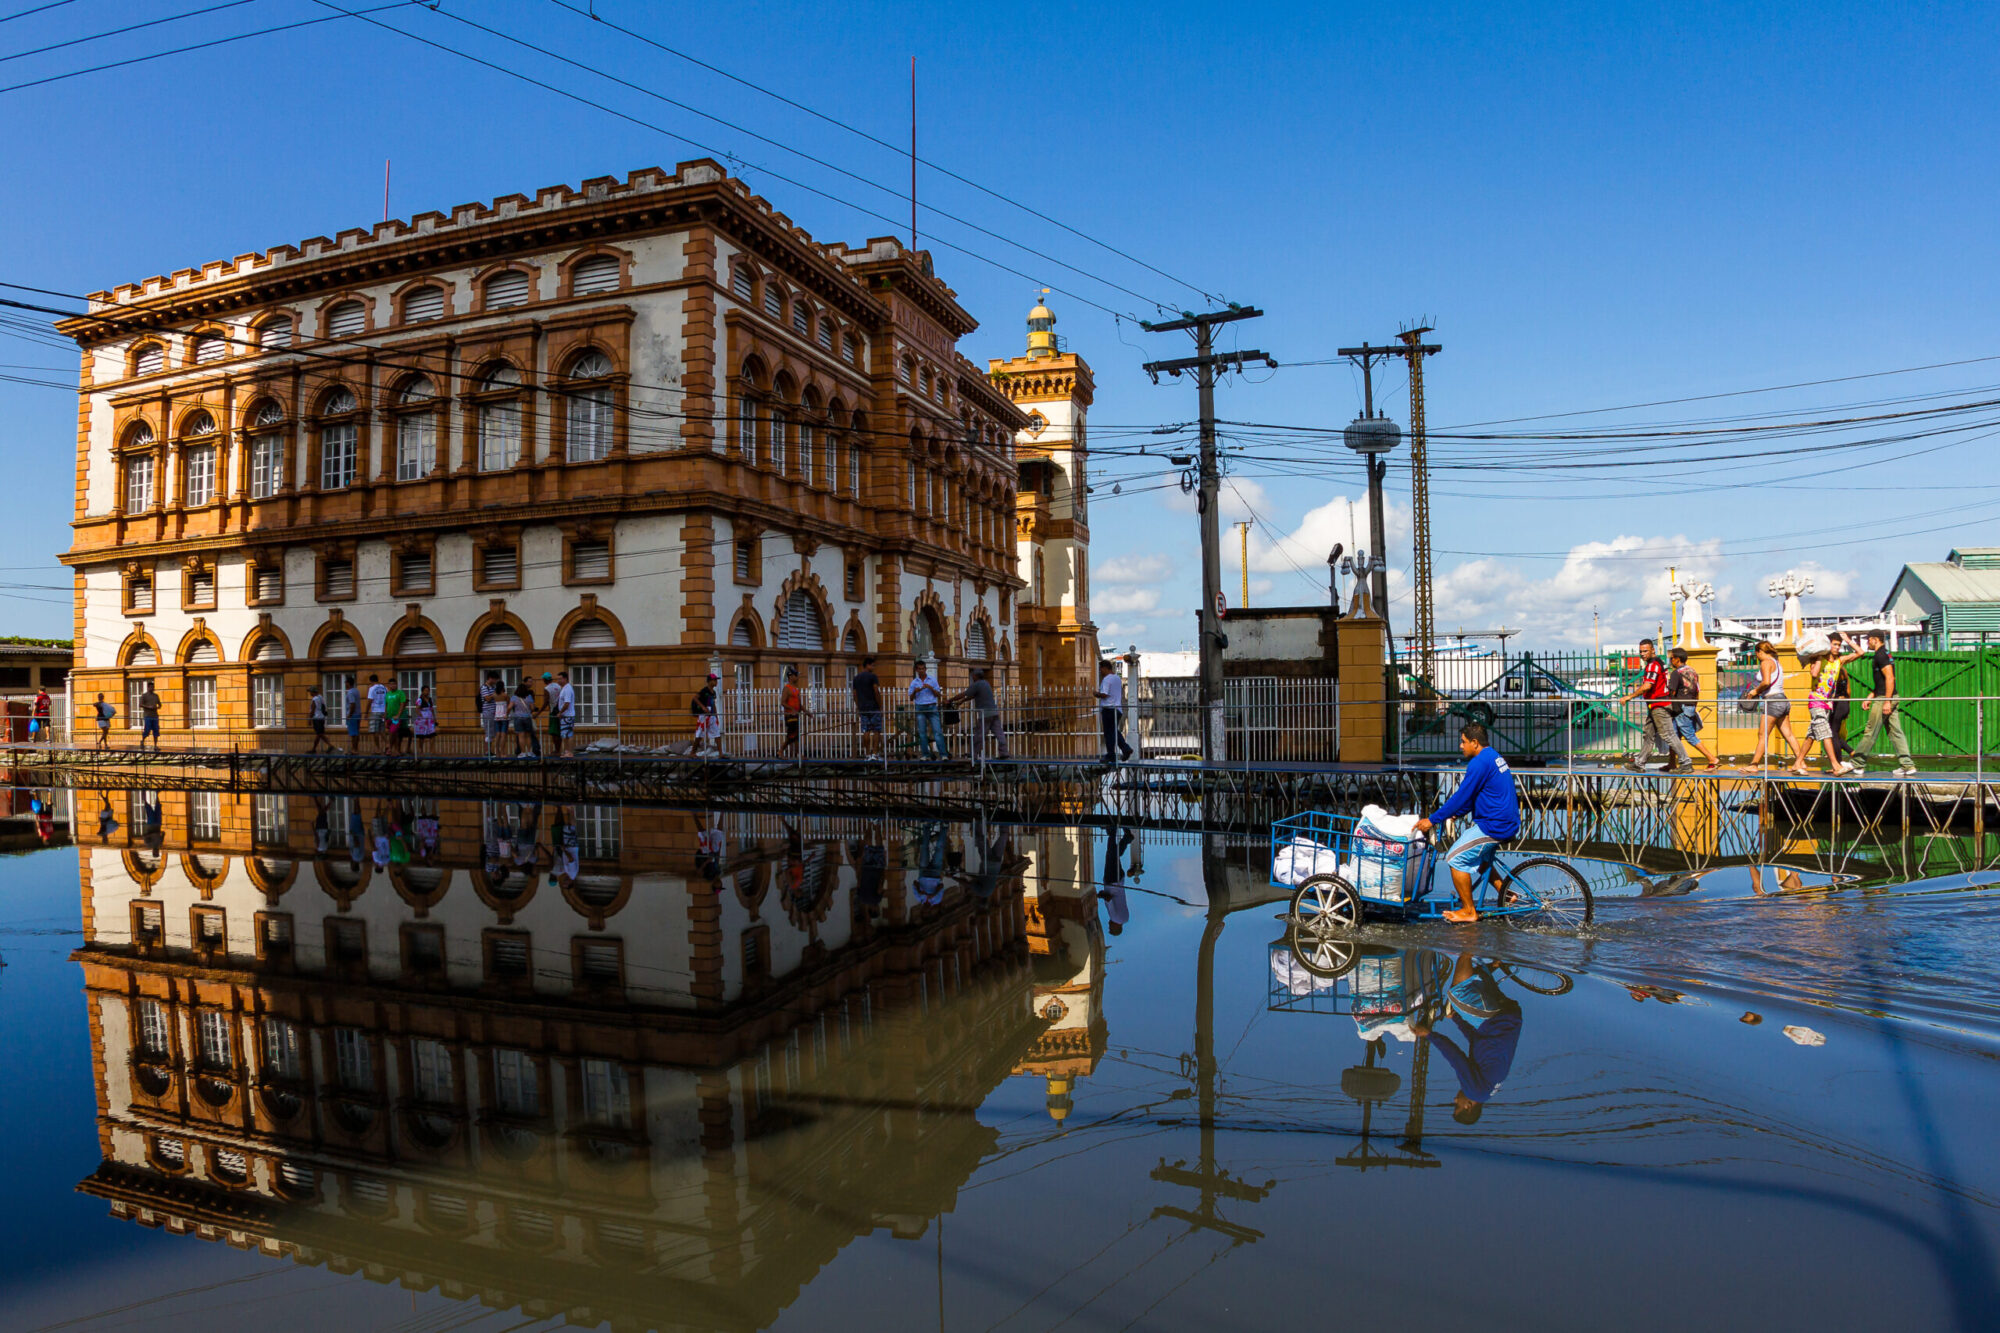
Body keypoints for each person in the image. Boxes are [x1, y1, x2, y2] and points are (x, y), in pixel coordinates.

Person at [1413, 721, 1519, 923]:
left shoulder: (1478, 763)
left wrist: (1433, 819)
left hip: (1495, 825)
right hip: (1503, 820)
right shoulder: (1493, 756)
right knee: (1480, 858)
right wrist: (1456, 813)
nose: (1461, 746)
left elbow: (1461, 796)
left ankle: (1469, 911)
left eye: (1463, 742)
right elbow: (1476, 796)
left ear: (1475, 743)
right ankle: (1506, 894)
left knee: (1455, 857)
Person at [1408, 952, 1523, 1125]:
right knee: (1458, 992)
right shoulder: (1474, 1092)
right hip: (1496, 1021)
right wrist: (1429, 1035)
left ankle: (1493, 965)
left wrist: (1456, 1018)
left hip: (1509, 1018)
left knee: (1472, 987)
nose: (1455, 1100)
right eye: (1457, 1106)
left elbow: (1478, 1041)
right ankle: (1468, 942)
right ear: (1468, 1106)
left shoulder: (1488, 1090)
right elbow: (1456, 1057)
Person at [1852, 629, 1918, 776]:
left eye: (1868, 639)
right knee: (1896, 732)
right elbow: (1881, 682)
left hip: (1885, 698)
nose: (1867, 642)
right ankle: (1907, 765)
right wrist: (1870, 697)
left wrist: (1887, 701)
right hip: (1887, 696)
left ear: (1875, 639)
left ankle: (1857, 764)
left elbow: (1890, 678)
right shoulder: (1884, 653)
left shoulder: (1881, 655)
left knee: (1871, 730)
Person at [1618, 638, 1687, 772]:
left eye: (1645, 651)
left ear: (1652, 650)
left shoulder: (1653, 665)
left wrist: (1629, 696)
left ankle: (1686, 762)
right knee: (1648, 734)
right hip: (1655, 705)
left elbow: (1647, 686)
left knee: (1668, 735)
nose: (1642, 654)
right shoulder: (1658, 663)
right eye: (1641, 651)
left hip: (1659, 705)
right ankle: (1640, 763)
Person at [1739, 640, 1806, 772]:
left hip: (1772, 701)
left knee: (1762, 735)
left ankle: (1754, 765)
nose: (1756, 657)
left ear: (1760, 652)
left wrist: (1755, 691)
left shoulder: (1766, 662)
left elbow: (1766, 682)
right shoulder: (1777, 663)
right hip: (1783, 700)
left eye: (1756, 654)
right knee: (1789, 734)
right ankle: (1800, 762)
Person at [1802, 650, 1858, 776]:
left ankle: (1838, 763)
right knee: (1821, 733)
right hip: (1843, 703)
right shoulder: (1844, 671)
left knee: (1831, 734)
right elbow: (1848, 690)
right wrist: (1847, 706)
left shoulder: (1833, 671)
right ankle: (1799, 761)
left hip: (1834, 703)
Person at [1666, 647, 1718, 772]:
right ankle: (1672, 762)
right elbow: (1697, 690)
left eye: (1671, 658)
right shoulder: (1692, 671)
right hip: (1690, 705)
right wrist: (1694, 706)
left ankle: (1712, 759)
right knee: (1673, 736)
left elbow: (1671, 692)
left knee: (1689, 736)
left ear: (1677, 659)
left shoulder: (1676, 673)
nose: (1670, 660)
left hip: (1680, 707)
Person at [950, 667, 1008, 761]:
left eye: (972, 675)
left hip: (985, 714)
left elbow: (965, 693)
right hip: (994, 712)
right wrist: (962, 701)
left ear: (975, 676)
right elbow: (973, 695)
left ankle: (974, 754)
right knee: (999, 733)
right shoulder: (986, 683)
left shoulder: (976, 684)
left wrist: (951, 700)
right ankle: (1004, 753)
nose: (972, 677)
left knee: (979, 735)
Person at [1096, 659, 1133, 765]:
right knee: (1113, 731)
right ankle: (1125, 749)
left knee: (1109, 733)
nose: (1100, 672)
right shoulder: (1117, 678)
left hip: (1109, 709)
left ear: (1105, 668)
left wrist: (1096, 694)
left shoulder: (1107, 679)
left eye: (1101, 669)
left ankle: (1111, 755)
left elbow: (1104, 694)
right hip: (1117, 709)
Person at [909, 660, 944, 760]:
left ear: (925, 669)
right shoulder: (914, 682)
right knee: (922, 733)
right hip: (920, 707)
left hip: (932, 707)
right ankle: (925, 754)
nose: (921, 671)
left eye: (923, 669)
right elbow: (911, 698)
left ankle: (943, 754)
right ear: (916, 670)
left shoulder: (932, 680)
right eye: (919, 669)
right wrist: (915, 692)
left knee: (937, 731)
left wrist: (931, 688)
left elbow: (939, 695)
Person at [851, 656, 884, 760]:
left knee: (866, 730)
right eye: (873, 665)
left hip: (863, 708)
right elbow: (876, 690)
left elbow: (854, 694)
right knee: (876, 730)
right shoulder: (872, 677)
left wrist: (859, 705)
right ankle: (874, 753)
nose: (874, 667)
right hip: (873, 707)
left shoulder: (856, 678)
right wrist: (880, 705)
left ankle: (867, 754)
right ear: (868, 665)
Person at [780, 666, 812, 759]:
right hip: (790, 715)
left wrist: (806, 712)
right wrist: (792, 709)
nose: (798, 677)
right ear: (790, 677)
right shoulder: (787, 688)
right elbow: (783, 702)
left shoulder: (796, 689)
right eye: (796, 675)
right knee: (791, 735)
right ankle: (780, 751)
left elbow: (799, 704)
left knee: (796, 735)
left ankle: (798, 754)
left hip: (796, 715)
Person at [690, 671, 722, 757]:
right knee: (700, 734)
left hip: (711, 715)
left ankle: (720, 753)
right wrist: (703, 707)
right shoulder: (705, 690)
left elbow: (713, 703)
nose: (716, 682)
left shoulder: (713, 692)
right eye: (714, 680)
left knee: (717, 732)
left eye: (716, 680)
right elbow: (695, 698)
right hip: (704, 715)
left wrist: (716, 715)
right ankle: (692, 752)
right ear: (710, 681)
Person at [508, 680, 536, 757]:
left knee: (521, 736)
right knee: (528, 736)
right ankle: (530, 752)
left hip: (518, 718)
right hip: (527, 718)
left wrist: (506, 714)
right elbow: (532, 708)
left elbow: (510, 707)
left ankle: (523, 752)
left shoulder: (514, 698)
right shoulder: (529, 697)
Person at [479, 672, 504, 757]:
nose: (495, 681)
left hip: (494, 712)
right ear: (490, 678)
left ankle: (490, 751)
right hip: (488, 712)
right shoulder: (484, 687)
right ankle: (487, 752)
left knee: (492, 732)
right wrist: (495, 695)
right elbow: (487, 698)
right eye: (495, 679)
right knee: (488, 732)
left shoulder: (493, 687)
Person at [382, 679, 408, 756]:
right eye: (391, 684)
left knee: (392, 732)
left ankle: (389, 747)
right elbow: (386, 705)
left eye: (394, 684)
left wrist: (398, 715)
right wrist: (385, 714)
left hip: (396, 718)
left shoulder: (400, 693)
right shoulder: (387, 694)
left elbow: (402, 704)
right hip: (389, 717)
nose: (392, 685)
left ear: (396, 685)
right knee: (395, 734)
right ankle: (396, 750)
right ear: (389, 685)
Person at [554, 670, 576, 758]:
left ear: (565, 679)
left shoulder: (567, 689)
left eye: (560, 679)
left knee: (568, 734)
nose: (558, 681)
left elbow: (567, 703)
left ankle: (569, 752)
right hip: (565, 715)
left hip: (567, 715)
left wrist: (560, 712)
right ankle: (567, 751)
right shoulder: (564, 688)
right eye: (557, 679)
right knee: (565, 734)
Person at [540, 671, 561, 761]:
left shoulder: (547, 688)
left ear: (544, 680)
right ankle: (558, 749)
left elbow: (546, 702)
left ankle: (557, 750)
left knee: (554, 732)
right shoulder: (558, 686)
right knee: (559, 732)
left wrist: (538, 713)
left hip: (553, 711)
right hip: (560, 710)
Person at [365, 674, 388, 751]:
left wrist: (366, 712)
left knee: (374, 731)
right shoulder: (385, 688)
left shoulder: (372, 688)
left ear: (371, 681)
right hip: (383, 711)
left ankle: (377, 748)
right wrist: (386, 711)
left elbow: (370, 701)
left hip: (375, 711)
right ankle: (387, 744)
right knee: (382, 730)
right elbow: (387, 700)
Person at [411, 688, 437, 755]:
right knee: (421, 736)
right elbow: (417, 709)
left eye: (428, 691)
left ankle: (432, 750)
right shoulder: (419, 699)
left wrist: (434, 718)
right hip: (423, 718)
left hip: (430, 718)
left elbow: (432, 709)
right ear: (422, 691)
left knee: (432, 734)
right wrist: (422, 716)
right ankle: (421, 750)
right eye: (425, 691)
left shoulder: (430, 699)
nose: (427, 692)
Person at [137, 682, 162, 752]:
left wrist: (157, 707)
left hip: (155, 716)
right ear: (148, 687)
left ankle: (155, 745)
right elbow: (140, 704)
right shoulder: (144, 696)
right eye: (151, 687)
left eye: (153, 687)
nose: (152, 688)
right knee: (147, 730)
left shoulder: (156, 696)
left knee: (156, 730)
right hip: (147, 715)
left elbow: (160, 704)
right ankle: (142, 741)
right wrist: (148, 707)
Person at [307, 685, 332, 753]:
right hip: (322, 718)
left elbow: (312, 710)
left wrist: (309, 719)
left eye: (310, 692)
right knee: (319, 734)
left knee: (320, 734)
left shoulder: (315, 699)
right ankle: (313, 749)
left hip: (317, 718)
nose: (310, 693)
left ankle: (330, 746)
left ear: (313, 692)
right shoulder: (321, 697)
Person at [343, 679, 363, 753]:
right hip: (358, 714)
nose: (345, 684)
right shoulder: (356, 691)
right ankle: (356, 748)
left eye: (345, 682)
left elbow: (352, 704)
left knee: (353, 733)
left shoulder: (350, 692)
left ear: (348, 683)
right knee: (356, 732)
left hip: (353, 715)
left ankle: (354, 749)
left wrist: (349, 715)